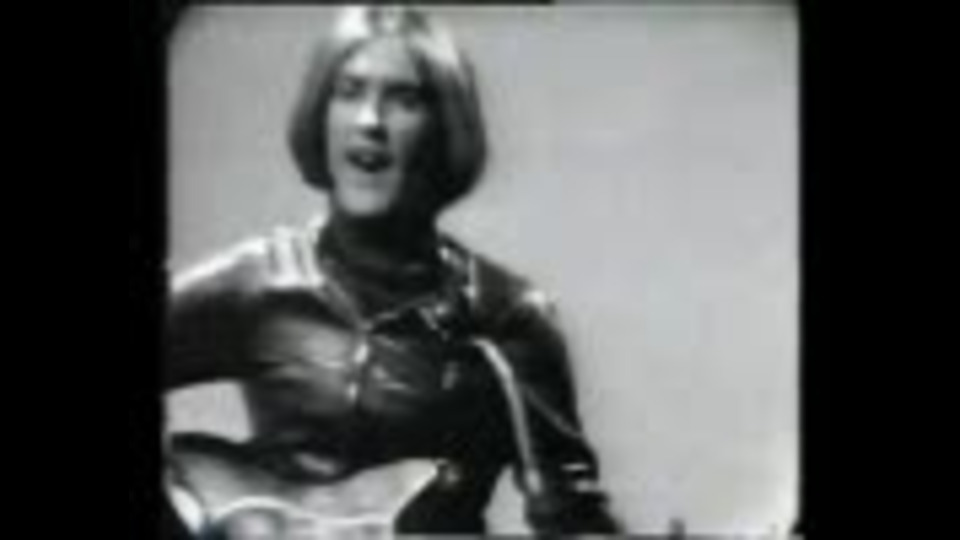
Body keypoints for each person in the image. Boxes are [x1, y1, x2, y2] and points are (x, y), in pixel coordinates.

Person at [163, 6, 620, 538]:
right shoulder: (260, 282)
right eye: (349, 92)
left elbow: (574, 520)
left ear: (446, 130)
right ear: (321, 115)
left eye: (404, 99)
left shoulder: (506, 319)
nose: (370, 122)